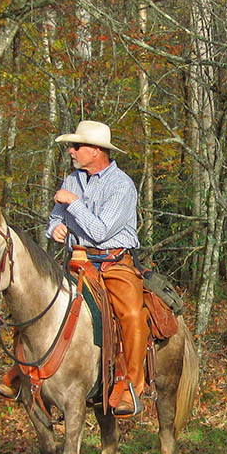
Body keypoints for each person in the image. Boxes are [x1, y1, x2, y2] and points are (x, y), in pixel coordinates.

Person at [47, 120, 145, 418]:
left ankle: (130, 385)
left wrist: (73, 204)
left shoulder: (121, 185)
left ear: (96, 151)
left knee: (132, 315)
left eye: (77, 146)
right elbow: (54, 217)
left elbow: (100, 231)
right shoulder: (71, 180)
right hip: (76, 261)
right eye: (71, 146)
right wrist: (56, 229)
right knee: (40, 300)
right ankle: (23, 372)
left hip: (113, 263)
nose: (72, 151)